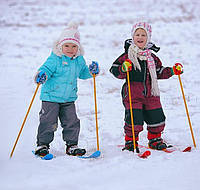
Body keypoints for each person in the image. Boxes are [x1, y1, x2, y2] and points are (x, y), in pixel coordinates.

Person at [110, 22, 183, 152]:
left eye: (143, 34)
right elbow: (114, 70)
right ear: (133, 37)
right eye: (137, 34)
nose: (140, 37)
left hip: (151, 93)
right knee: (134, 119)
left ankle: (155, 139)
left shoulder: (152, 57)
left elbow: (159, 71)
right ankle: (130, 141)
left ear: (148, 38)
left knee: (157, 117)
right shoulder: (127, 56)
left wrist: (172, 71)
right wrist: (123, 68)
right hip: (132, 94)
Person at [34, 22, 99, 156]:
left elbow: (83, 73)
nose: (70, 49)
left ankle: (72, 145)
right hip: (50, 97)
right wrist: (42, 75)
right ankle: (42, 145)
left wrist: (92, 71)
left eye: (74, 46)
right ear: (60, 46)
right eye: (67, 46)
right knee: (48, 122)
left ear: (78, 47)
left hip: (69, 98)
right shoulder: (55, 59)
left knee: (71, 122)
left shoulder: (78, 60)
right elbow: (45, 69)